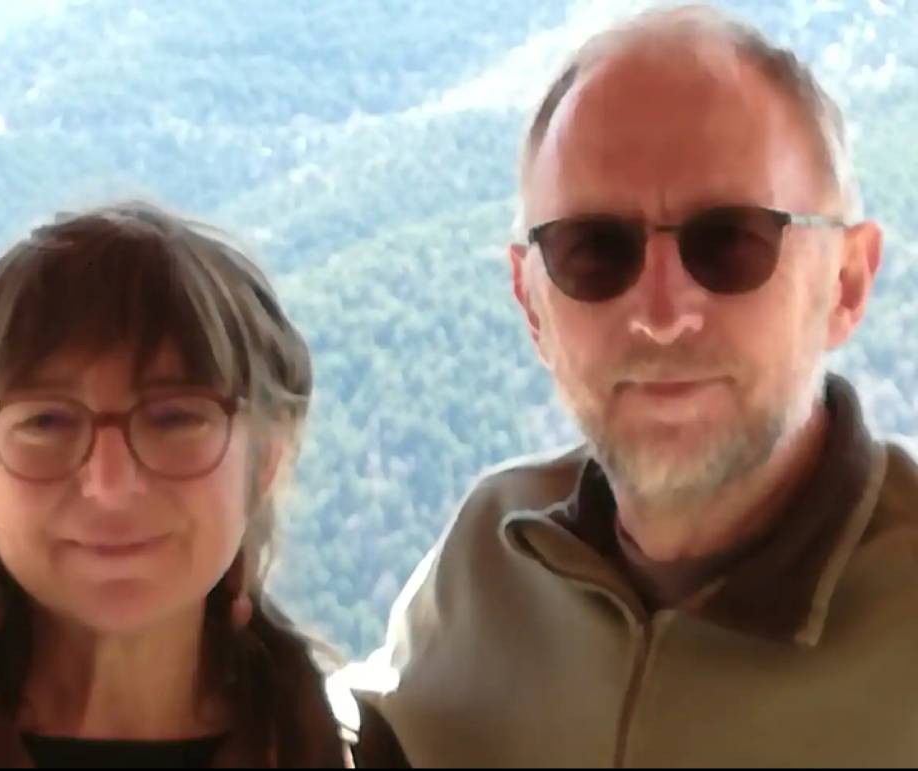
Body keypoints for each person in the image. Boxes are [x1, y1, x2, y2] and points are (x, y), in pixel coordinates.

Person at [343, 4, 918, 767]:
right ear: (532, 305)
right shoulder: (493, 556)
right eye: (593, 249)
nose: (661, 314)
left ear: (846, 281)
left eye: (730, 241)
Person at [0, 201, 354, 767]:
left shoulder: (353, 754)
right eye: (46, 422)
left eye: (174, 418)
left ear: (265, 459)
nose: (111, 486)